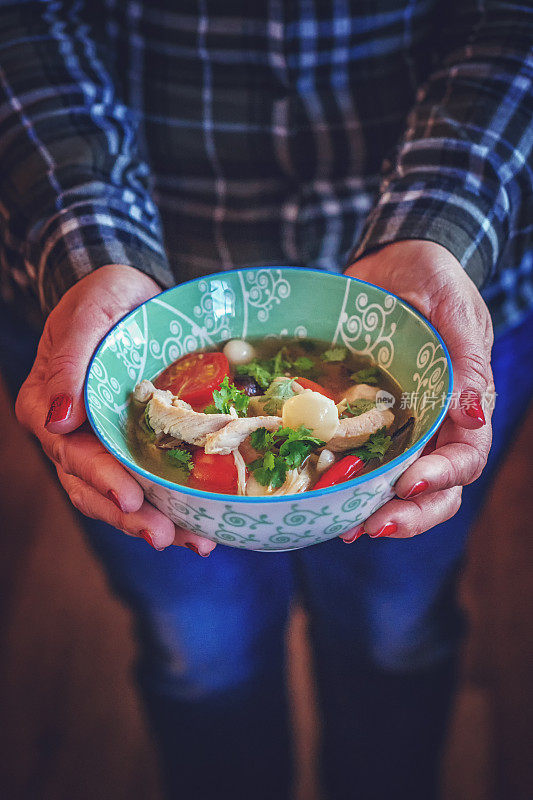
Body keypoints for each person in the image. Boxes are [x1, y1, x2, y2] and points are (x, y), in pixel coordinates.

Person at [1, 1, 532, 798]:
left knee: (397, 628)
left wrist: (438, 221)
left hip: (445, 292)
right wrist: (88, 242)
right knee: (197, 647)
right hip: (116, 300)